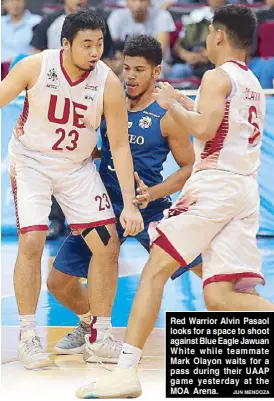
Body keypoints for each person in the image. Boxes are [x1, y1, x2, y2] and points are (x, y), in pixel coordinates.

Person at [76, 5, 274, 398]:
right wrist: (184, 106)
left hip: (216, 185)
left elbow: (204, 127)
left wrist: (173, 103)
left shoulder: (217, 76)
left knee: (155, 270)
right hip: (245, 190)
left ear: (218, 35)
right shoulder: (253, 82)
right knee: (221, 296)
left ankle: (126, 373)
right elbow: (218, 127)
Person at [0, 9, 143, 370]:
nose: (95, 52)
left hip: (77, 168)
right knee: (32, 241)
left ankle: (100, 336)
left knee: (108, 243)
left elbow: (121, 146)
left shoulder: (108, 82)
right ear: (65, 44)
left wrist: (129, 204)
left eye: (99, 44)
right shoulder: (36, 66)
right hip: (32, 162)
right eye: (86, 44)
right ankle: (29, 336)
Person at [47, 34, 202, 357]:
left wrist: (152, 193)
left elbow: (188, 167)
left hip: (150, 208)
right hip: (103, 202)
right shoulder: (108, 98)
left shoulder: (167, 114)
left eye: (139, 70)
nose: (130, 76)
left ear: (157, 72)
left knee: (205, 267)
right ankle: (90, 322)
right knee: (58, 283)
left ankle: (243, 323)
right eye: (126, 68)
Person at [30, 0, 115, 240]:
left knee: (88, 155)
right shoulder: (49, 23)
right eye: (87, 44)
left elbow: (106, 59)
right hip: (52, 98)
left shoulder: (98, 25)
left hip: (89, 97)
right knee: (53, 160)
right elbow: (38, 62)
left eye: (96, 44)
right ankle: (54, 220)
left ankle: (84, 219)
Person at [169, 0, 225, 80]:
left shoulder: (232, 16)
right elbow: (177, 46)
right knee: (178, 70)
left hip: (220, 64)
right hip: (193, 62)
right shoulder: (195, 15)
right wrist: (187, 55)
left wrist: (211, 54)